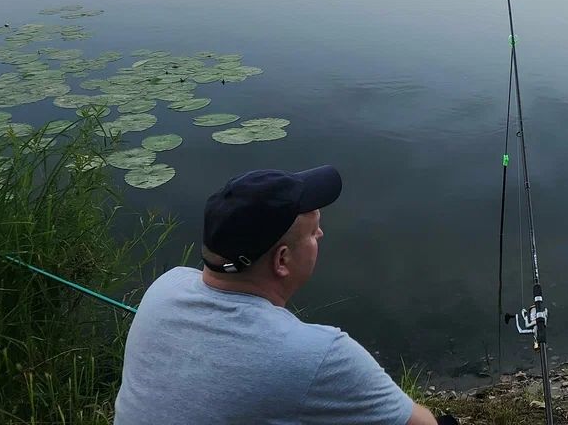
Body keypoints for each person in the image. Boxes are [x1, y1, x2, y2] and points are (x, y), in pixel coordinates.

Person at [114, 166, 442, 425]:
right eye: (314, 233)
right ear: (282, 260)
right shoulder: (317, 355)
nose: (322, 235)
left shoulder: (164, 288)